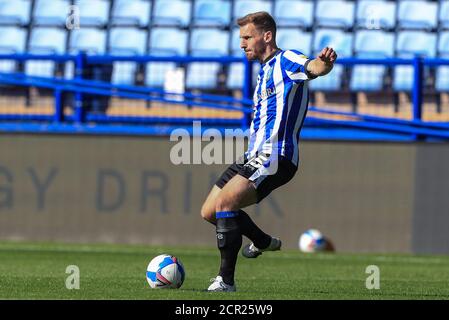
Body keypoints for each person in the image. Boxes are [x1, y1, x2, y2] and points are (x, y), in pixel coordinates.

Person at [200, 11, 337, 292]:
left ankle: (226, 281)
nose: (242, 44)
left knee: (226, 204)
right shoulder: (264, 71)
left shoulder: (286, 61)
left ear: (267, 36)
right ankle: (262, 240)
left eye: (247, 37)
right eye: (241, 38)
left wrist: (323, 64)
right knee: (210, 211)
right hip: (254, 154)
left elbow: (313, 68)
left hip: (276, 154)